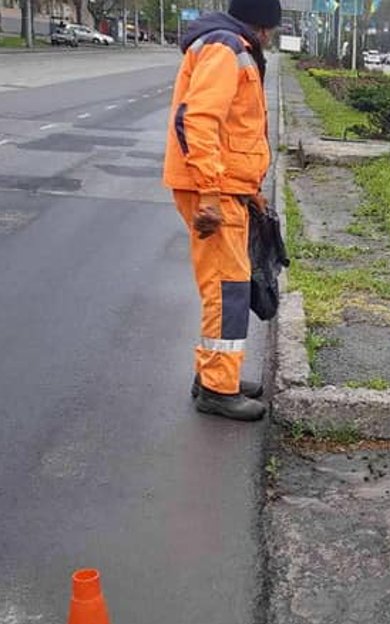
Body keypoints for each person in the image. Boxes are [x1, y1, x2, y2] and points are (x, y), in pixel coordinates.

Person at [163, 0, 281, 421]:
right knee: (227, 291)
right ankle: (217, 388)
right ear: (265, 27)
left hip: (229, 189)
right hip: (213, 192)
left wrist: (249, 190)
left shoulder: (230, 46)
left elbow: (234, 129)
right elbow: (197, 120)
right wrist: (211, 192)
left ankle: (214, 375)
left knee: (226, 288)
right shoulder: (224, 48)